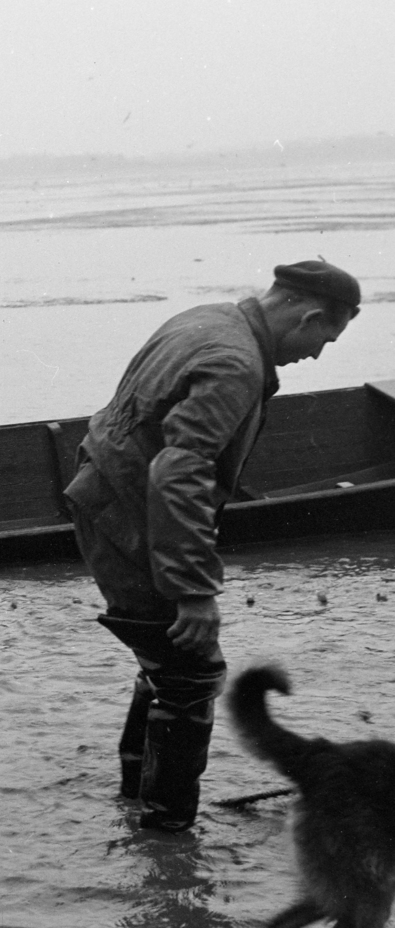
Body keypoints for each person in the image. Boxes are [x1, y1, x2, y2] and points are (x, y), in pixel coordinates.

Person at [65, 260, 360, 833]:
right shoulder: (235, 362)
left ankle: (136, 799)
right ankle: (166, 837)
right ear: (309, 314)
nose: (317, 354)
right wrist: (194, 592)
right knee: (192, 672)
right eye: (324, 338)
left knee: (166, 662)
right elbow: (180, 472)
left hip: (106, 496)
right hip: (131, 516)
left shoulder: (207, 318)